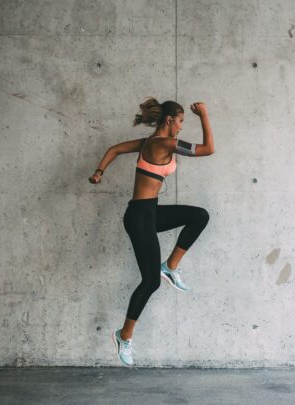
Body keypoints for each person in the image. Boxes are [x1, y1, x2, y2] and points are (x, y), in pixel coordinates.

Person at [88, 98, 214, 366]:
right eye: (180, 121)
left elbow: (114, 149)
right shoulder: (164, 143)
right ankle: (124, 336)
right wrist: (203, 114)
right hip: (140, 217)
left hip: (149, 212)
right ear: (169, 120)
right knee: (150, 282)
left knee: (199, 216)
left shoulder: (149, 142)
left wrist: (100, 171)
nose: (181, 127)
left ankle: (170, 265)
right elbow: (208, 149)